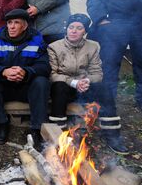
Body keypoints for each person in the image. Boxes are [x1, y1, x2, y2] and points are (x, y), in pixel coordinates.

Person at [48, 14, 128, 154]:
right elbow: (52, 74)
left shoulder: (93, 46)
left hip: (84, 87)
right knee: (58, 87)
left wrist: (87, 81)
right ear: (66, 29)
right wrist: (73, 82)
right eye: (71, 27)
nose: (74, 31)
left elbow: (97, 73)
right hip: (64, 86)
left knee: (104, 89)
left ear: (85, 31)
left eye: (79, 28)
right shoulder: (54, 47)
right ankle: (58, 134)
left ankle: (112, 135)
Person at [0, 9, 50, 148]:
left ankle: (36, 128)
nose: (11, 26)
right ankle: (2, 123)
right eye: (9, 22)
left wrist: (26, 72)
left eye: (16, 23)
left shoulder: (37, 41)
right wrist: (3, 71)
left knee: (42, 82)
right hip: (5, 87)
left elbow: (44, 67)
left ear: (25, 26)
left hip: (26, 88)